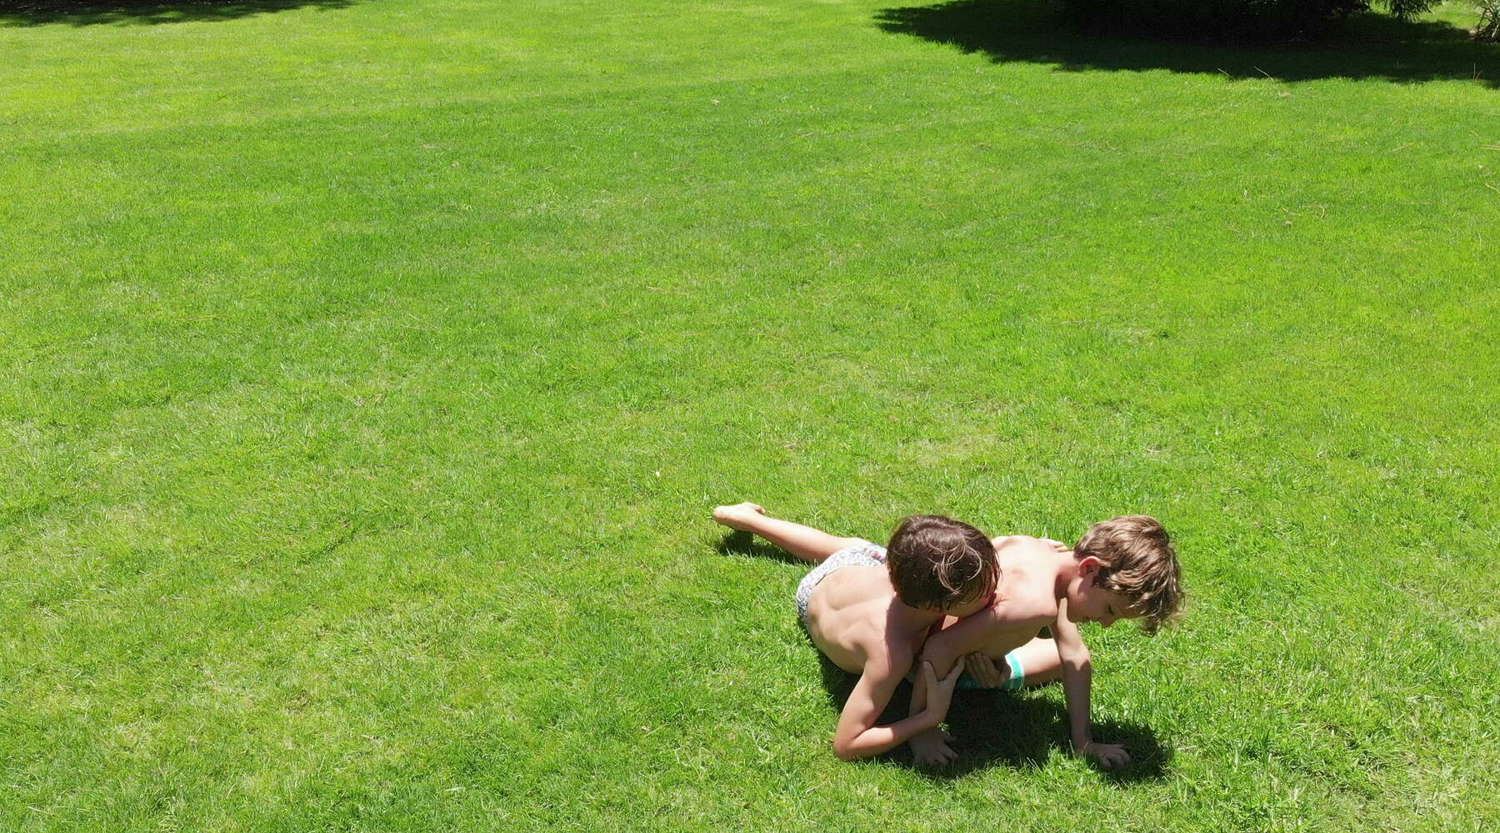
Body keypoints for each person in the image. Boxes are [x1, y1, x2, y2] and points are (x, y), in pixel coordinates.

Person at [712, 502, 1000, 761]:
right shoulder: (891, 655)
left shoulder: (902, 576)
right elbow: (847, 743)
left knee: (844, 547)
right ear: (938, 604)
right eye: (984, 590)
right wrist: (928, 718)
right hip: (813, 601)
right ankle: (749, 520)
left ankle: (748, 519)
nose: (994, 592)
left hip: (849, 567)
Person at [906, 516, 1183, 769]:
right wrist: (922, 729)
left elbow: (1075, 656)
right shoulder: (1035, 604)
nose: (1106, 623)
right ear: (1089, 568)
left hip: (942, 636)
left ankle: (988, 672)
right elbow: (938, 647)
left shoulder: (1043, 554)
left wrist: (1083, 741)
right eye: (1110, 610)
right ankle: (949, 696)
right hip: (917, 659)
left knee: (1058, 658)